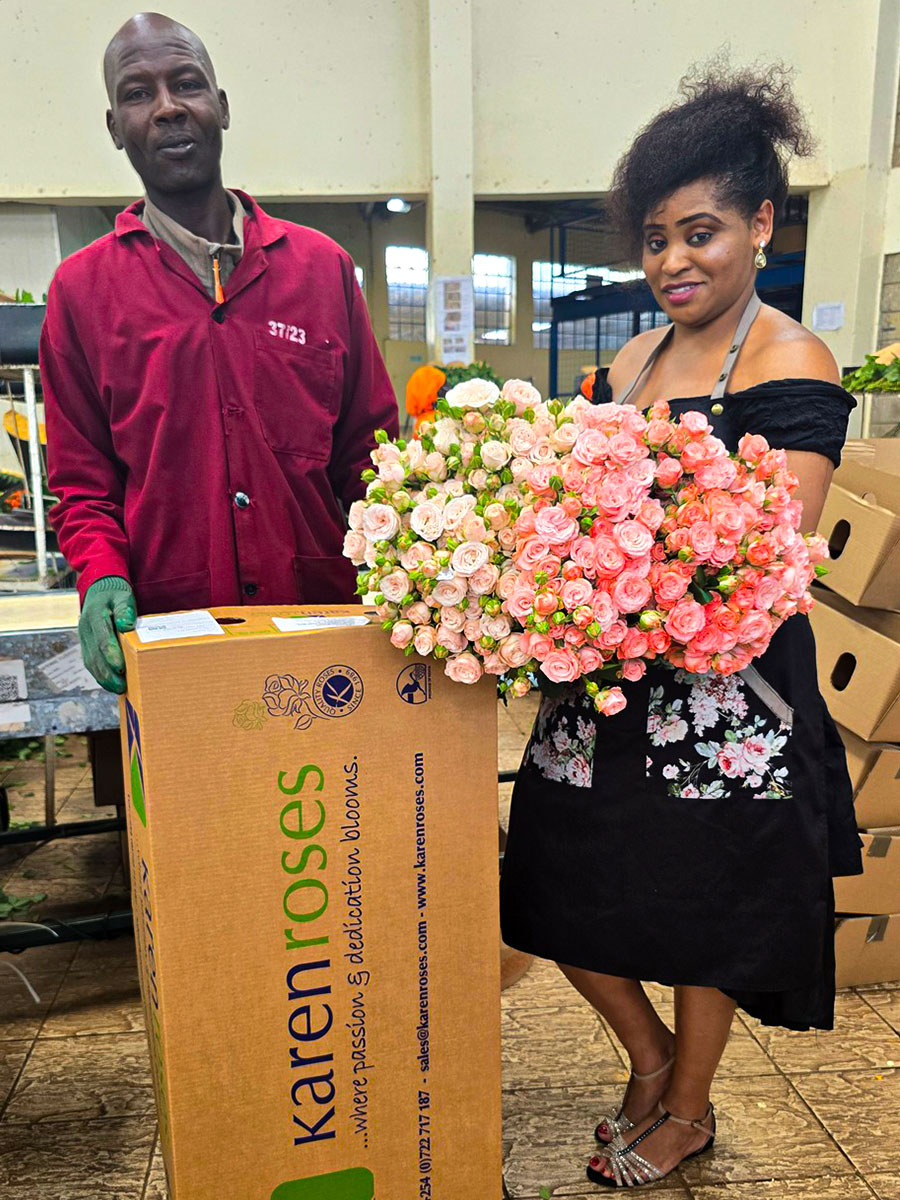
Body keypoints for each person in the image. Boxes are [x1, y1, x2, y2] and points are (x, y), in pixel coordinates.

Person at [499, 65, 863, 1189]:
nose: (673, 264)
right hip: (606, 689)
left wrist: (613, 568)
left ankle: (688, 1109)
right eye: (654, 240)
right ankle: (648, 1054)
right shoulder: (631, 363)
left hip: (729, 705)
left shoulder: (790, 359)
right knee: (551, 891)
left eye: (699, 232)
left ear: (762, 223)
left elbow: (775, 549)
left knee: (708, 913)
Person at [40, 12, 397, 694]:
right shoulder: (84, 292)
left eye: (187, 84)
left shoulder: (321, 271)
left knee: (340, 802)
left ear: (221, 108)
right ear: (116, 127)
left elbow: (369, 456)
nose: (169, 108)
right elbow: (82, 483)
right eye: (138, 93)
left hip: (324, 635)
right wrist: (101, 573)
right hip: (173, 639)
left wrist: (409, 568)